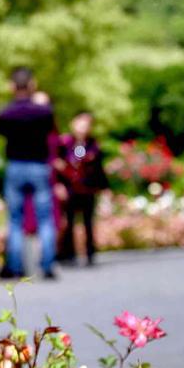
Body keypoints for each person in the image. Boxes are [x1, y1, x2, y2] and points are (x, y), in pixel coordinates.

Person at [0, 68, 57, 278]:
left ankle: (15, 266)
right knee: (45, 219)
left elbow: (2, 132)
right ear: (32, 85)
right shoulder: (44, 112)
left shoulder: (5, 113)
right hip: (39, 166)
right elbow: (50, 129)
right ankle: (47, 265)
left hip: (15, 166)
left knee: (14, 219)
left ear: (12, 86)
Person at [54, 110, 108, 265]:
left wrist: (104, 188)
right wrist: (58, 184)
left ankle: (90, 253)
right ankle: (68, 254)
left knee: (88, 222)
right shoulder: (64, 143)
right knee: (68, 222)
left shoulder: (92, 145)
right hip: (70, 189)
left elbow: (97, 168)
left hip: (87, 188)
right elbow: (58, 165)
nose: (83, 127)